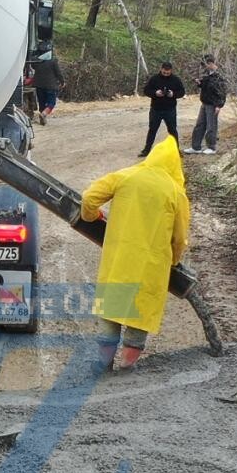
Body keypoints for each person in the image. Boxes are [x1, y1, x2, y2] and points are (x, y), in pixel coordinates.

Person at [80, 133, 191, 370]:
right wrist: (174, 261)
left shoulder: (126, 176)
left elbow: (89, 199)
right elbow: (180, 238)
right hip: (150, 267)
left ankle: (104, 365)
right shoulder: (175, 192)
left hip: (119, 260)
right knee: (138, 318)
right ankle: (126, 370)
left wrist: (92, 216)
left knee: (112, 310)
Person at [140, 60, 186, 156]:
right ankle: (146, 150)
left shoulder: (176, 79)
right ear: (161, 69)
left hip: (170, 109)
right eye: (164, 72)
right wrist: (155, 93)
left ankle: (176, 150)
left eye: (168, 72)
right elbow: (146, 90)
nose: (165, 74)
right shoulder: (154, 79)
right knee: (152, 129)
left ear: (171, 71)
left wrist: (173, 94)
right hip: (156, 109)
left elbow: (182, 92)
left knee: (172, 130)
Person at [192, 55, 229, 155]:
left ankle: (211, 147)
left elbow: (222, 92)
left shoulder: (219, 76)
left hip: (213, 104)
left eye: (206, 65)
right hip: (204, 102)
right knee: (199, 125)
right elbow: (207, 86)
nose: (204, 67)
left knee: (211, 125)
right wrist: (200, 83)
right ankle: (196, 147)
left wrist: (219, 105)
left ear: (211, 63)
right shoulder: (208, 74)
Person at [34, 52, 63, 120]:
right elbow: (58, 73)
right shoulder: (53, 61)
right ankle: (44, 114)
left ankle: (42, 115)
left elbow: (33, 67)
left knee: (42, 103)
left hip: (39, 85)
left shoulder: (36, 61)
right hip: (51, 86)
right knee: (51, 103)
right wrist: (62, 82)